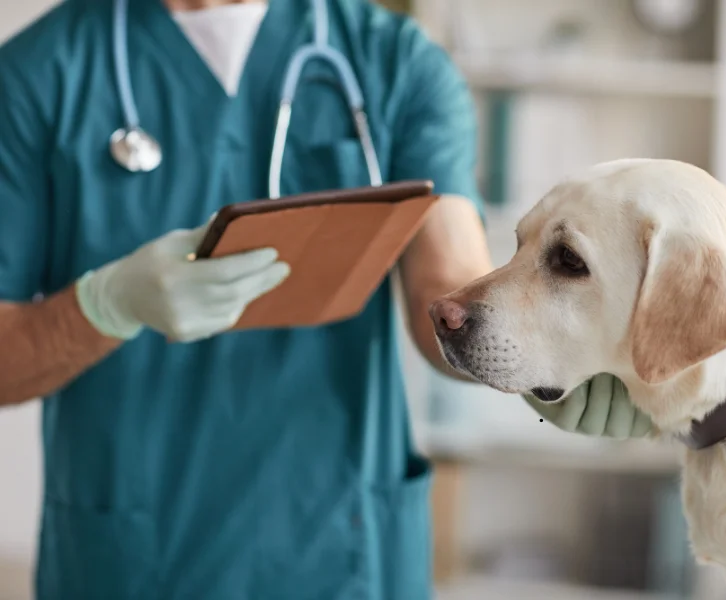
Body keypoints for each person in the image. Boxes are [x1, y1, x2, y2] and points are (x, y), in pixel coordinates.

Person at [0, 0, 648, 598]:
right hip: (135, 557)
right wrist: (105, 304)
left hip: (339, 550)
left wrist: (529, 354)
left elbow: (445, 286)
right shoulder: (36, 75)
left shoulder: (394, 65)